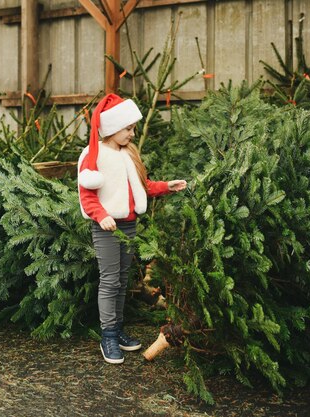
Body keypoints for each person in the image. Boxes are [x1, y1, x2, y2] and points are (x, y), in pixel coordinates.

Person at [78, 93, 187, 364]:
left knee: (123, 280)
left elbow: (143, 185)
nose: (132, 133)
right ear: (113, 127)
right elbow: (87, 194)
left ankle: (117, 329)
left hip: (128, 226)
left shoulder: (129, 154)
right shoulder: (93, 155)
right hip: (106, 227)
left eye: (133, 128)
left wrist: (165, 186)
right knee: (110, 280)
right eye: (128, 128)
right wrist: (101, 216)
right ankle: (108, 336)